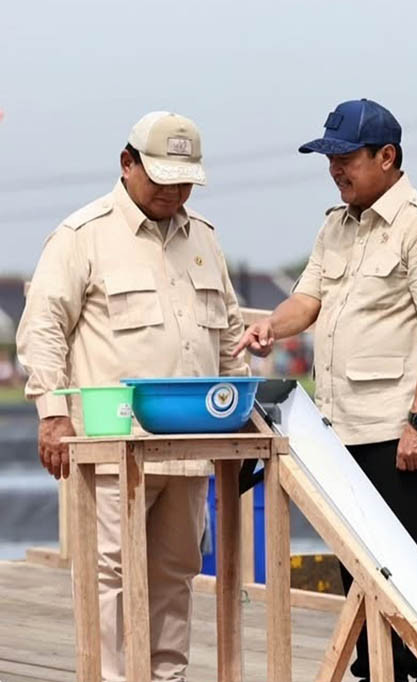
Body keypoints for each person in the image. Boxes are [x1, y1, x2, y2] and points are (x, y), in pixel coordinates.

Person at [233, 98, 417, 682]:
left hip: (397, 429)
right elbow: (308, 301)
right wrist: (270, 326)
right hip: (338, 428)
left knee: (415, 567)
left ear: (387, 157)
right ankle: (374, 671)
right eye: (329, 158)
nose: (336, 170)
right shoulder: (335, 225)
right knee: (359, 566)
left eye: (346, 158)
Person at [17, 111, 249, 682]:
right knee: (112, 573)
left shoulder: (205, 241)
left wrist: (242, 422)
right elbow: (42, 328)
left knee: (177, 568)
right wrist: (52, 415)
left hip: (191, 444)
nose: (174, 190)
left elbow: (229, 338)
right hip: (113, 445)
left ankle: (165, 676)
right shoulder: (82, 236)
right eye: (162, 176)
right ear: (127, 164)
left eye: (184, 179)